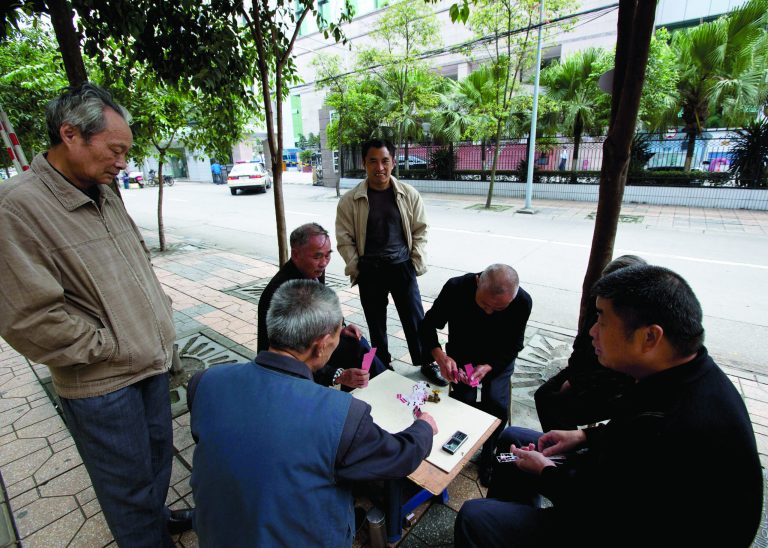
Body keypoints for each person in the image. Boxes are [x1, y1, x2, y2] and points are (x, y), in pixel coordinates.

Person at [0, 83, 190, 546]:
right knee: (125, 486)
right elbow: (27, 319)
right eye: (116, 149)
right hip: (104, 384)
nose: (123, 162)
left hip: (149, 362)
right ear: (70, 134)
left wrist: (157, 322)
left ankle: (156, 521)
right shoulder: (17, 206)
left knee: (158, 460)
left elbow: (137, 266)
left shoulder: (104, 193)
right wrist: (111, 345)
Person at [454, 265, 763, 548]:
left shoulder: (676, 425)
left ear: (649, 337)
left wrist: (546, 473)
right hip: (625, 495)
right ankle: (515, 522)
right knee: (514, 441)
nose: (592, 331)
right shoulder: (678, 373)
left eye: (602, 319)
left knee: (474, 516)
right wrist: (585, 437)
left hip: (634, 530)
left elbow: (605, 508)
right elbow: (627, 436)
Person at [189, 280, 437, 547]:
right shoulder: (339, 414)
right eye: (337, 334)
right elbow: (398, 456)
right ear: (320, 345)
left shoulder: (204, 382)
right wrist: (424, 427)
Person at [336, 139, 446, 386]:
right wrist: (357, 266)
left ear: (393, 162)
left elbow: (421, 230)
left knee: (416, 319)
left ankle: (426, 362)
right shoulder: (350, 200)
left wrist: (414, 262)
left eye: (385, 161)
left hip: (401, 266)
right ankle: (383, 364)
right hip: (370, 269)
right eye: (373, 161)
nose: (380, 167)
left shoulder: (408, 194)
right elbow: (344, 238)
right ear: (364, 163)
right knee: (376, 323)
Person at [420, 264, 532, 485]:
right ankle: (460, 443)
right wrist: (441, 358)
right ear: (478, 281)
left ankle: (489, 452)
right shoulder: (456, 288)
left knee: (496, 404)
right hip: (463, 358)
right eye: (483, 304)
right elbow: (427, 326)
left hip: (498, 360)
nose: (488, 311)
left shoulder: (522, 302)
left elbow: (515, 344)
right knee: (464, 402)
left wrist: (490, 366)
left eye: (498, 309)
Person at [257, 222, 386, 389]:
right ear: (296, 255)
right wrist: (337, 375)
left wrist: (339, 329)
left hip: (314, 343)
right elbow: (289, 357)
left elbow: (323, 310)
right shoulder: (284, 294)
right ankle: (378, 388)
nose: (324, 263)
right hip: (290, 364)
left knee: (357, 344)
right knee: (355, 353)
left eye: (327, 255)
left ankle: (380, 388)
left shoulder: (313, 271)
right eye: (317, 256)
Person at [534, 255, 645, 431]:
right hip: (585, 370)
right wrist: (573, 377)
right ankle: (563, 445)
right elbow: (581, 344)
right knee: (543, 395)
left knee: (555, 407)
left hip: (612, 387)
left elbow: (617, 377)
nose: (594, 330)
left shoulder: (635, 325)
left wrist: (576, 382)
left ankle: (565, 450)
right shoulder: (599, 304)